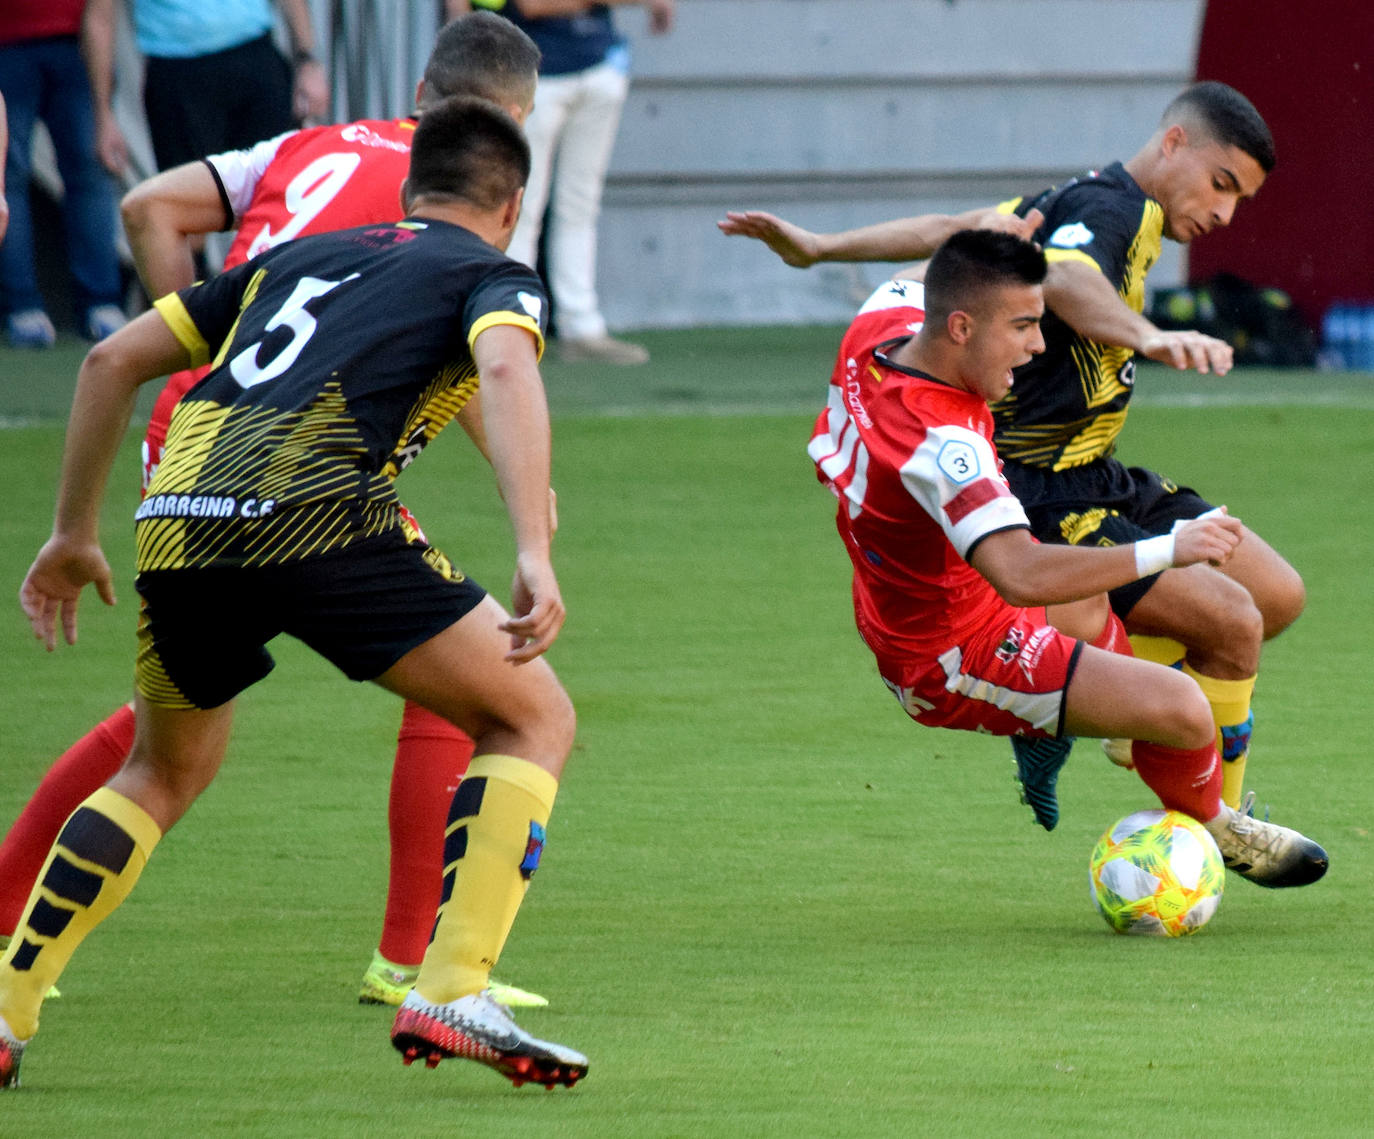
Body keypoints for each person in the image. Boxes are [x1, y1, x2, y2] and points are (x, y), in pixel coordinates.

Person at [1, 94, 586, 1093]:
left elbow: (109, 358)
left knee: (159, 769)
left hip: (182, 507)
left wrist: (69, 531)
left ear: (408, 188)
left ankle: (8, 1005)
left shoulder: (298, 261)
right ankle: (450, 982)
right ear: (513, 205)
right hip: (314, 507)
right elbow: (502, 366)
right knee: (533, 713)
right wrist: (533, 545)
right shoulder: (493, 274)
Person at [722, 82, 1298, 816]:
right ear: (1175, 143)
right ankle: (1207, 819)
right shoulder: (1110, 212)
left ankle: (1124, 704)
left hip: (1096, 472)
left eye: (1241, 199)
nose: (1225, 212)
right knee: (1231, 622)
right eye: (1222, 185)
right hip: (1038, 486)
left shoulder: (1073, 198)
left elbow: (958, 233)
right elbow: (1066, 277)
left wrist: (823, 248)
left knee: (1276, 596)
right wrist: (1148, 336)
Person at [808, 229, 1326, 900]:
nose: (1039, 344)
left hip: (920, 589)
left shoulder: (884, 321)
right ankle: (1215, 824)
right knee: (1186, 709)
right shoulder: (944, 442)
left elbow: (930, 268)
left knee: (1093, 608)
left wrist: (818, 247)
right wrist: (1171, 549)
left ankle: (1058, 723)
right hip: (953, 651)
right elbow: (1020, 573)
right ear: (960, 327)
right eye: (1024, 325)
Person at [449, 0, 673, 364]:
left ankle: (580, 325)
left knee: (579, 205)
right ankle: (512, 322)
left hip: (596, 61)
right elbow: (534, 5)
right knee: (519, 206)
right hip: (532, 74)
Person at [0, 0, 128, 348]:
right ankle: (22, 307)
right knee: (6, 178)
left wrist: (106, 114)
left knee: (90, 172)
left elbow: (102, 14)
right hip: (6, 47)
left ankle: (102, 303)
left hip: (77, 44)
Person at [82, 0, 329, 177]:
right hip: (176, 72)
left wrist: (307, 61)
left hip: (255, 56)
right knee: (188, 216)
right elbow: (99, 17)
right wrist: (103, 115)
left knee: (279, 196)